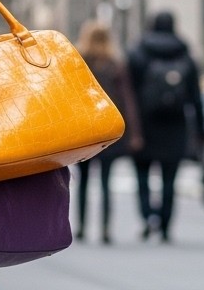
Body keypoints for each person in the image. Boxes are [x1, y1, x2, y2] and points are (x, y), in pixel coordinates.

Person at [126, 10, 204, 243]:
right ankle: (166, 224)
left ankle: (148, 216)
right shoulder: (186, 56)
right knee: (169, 180)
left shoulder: (138, 54)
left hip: (144, 126)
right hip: (175, 126)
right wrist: (201, 131)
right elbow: (196, 98)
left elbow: (129, 94)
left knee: (142, 177)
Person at [74, 20, 142, 244]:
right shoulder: (115, 64)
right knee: (105, 182)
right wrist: (134, 133)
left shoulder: (78, 62)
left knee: (83, 182)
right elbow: (127, 101)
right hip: (108, 131)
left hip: (84, 131)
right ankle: (105, 229)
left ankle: (82, 227)